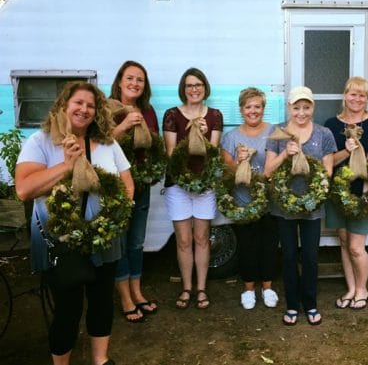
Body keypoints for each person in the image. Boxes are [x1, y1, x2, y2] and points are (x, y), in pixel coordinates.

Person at [15, 81, 134, 365]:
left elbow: (127, 184)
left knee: (102, 304)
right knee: (67, 310)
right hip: (61, 242)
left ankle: (100, 360)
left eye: (91, 105)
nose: (84, 109)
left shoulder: (108, 142)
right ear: (64, 105)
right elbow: (24, 189)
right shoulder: (40, 141)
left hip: (103, 238)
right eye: (78, 102)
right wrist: (66, 166)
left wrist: (114, 217)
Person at [265, 86, 336, 325]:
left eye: (306, 107)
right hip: (282, 207)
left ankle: (311, 303)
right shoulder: (278, 133)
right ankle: (292, 305)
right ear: (290, 108)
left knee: (310, 256)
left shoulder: (324, 134)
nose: (301, 113)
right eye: (297, 108)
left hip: (312, 207)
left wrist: (313, 181)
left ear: (312, 107)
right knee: (287, 256)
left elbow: (327, 172)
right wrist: (285, 153)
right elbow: (267, 171)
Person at [163, 67, 223, 310]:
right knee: (184, 240)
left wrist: (205, 136)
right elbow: (171, 155)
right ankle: (186, 287)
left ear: (205, 87)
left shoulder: (215, 116)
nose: (194, 89)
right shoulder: (171, 115)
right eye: (189, 85)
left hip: (205, 185)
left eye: (198, 84)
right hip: (178, 185)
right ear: (183, 89)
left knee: (201, 238)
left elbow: (213, 154)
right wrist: (191, 133)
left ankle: (201, 288)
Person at [323, 77, 368, 310]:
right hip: (338, 193)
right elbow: (330, 160)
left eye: (362, 95)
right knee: (344, 241)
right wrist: (345, 151)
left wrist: (366, 198)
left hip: (363, 192)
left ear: (367, 98)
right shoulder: (331, 124)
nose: (357, 99)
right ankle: (350, 288)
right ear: (345, 95)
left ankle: (362, 289)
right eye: (353, 94)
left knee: (357, 247)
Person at [109, 60, 160, 322]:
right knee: (119, 242)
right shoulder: (106, 108)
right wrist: (125, 124)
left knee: (136, 242)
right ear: (120, 81)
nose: (134, 84)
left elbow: (155, 146)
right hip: (116, 187)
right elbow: (98, 143)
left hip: (141, 185)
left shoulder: (148, 111)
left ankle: (137, 292)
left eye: (140, 79)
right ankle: (125, 298)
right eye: (130, 78)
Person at [221, 87, 279, 310]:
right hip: (243, 203)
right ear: (241, 109)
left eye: (257, 106)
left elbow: (278, 165)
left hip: (269, 202)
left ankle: (267, 287)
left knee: (269, 246)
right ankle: (248, 289)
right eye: (248, 107)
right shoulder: (231, 137)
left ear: (263, 108)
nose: (253, 111)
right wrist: (239, 161)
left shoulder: (274, 132)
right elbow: (228, 172)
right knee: (247, 247)